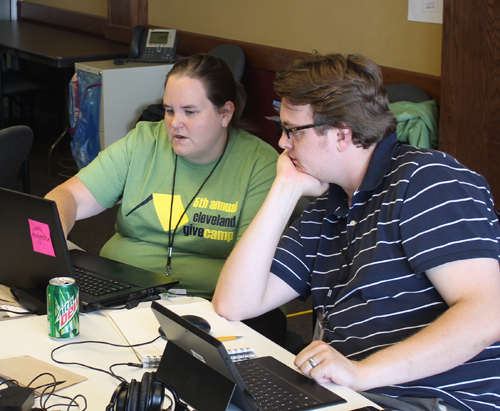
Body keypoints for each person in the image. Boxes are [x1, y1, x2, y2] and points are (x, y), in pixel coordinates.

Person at [213, 53, 500, 411]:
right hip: (354, 395)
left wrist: (362, 372)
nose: (283, 145)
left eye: (291, 131)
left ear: (341, 135)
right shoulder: (326, 207)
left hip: (435, 399)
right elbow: (233, 304)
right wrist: (283, 190)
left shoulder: (428, 181)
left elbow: (487, 313)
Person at [45, 54, 278, 300]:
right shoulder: (144, 141)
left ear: (226, 113)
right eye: (169, 110)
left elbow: (253, 267)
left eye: (190, 112)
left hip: (212, 302)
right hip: (124, 288)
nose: (175, 123)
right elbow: (69, 196)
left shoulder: (259, 164)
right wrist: (48, 243)